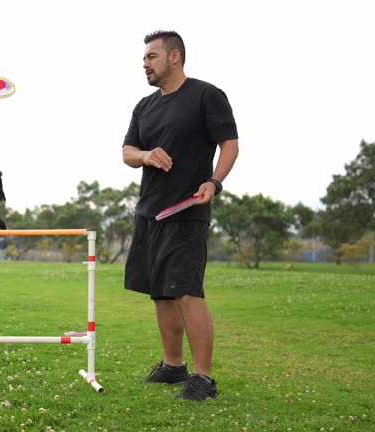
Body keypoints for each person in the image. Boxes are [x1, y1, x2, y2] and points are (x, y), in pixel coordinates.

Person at [122, 30, 239, 401]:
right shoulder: (144, 106)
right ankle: (173, 366)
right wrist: (145, 155)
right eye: (144, 58)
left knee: (187, 292)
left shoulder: (207, 96)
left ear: (174, 57)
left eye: (151, 57)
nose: (145, 64)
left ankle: (203, 379)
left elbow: (230, 144)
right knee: (160, 294)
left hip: (187, 209)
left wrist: (214, 183)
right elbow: (127, 151)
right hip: (148, 213)